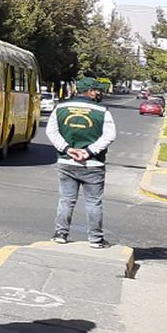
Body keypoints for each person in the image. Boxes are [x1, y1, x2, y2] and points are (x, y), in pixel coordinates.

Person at [46, 76, 118, 248]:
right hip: (93, 164)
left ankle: (60, 234)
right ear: (90, 91)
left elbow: (51, 132)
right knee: (93, 202)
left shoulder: (60, 108)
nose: (98, 93)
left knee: (66, 200)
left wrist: (67, 149)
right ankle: (95, 239)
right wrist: (88, 152)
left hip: (67, 162)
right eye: (96, 90)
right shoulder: (102, 111)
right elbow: (110, 135)